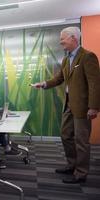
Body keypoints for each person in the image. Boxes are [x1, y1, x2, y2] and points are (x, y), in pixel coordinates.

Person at [32, 26, 100, 184]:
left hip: (83, 106)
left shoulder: (87, 57)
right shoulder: (66, 59)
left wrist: (94, 107)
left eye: (63, 38)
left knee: (81, 140)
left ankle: (81, 173)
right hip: (69, 103)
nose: (61, 41)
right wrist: (43, 84)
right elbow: (59, 79)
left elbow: (95, 84)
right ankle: (72, 164)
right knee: (65, 135)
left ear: (74, 38)